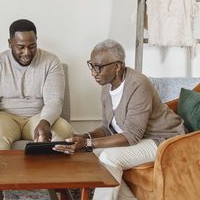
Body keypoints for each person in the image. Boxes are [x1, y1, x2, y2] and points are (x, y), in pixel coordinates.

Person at [53, 39, 185, 200]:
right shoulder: (107, 86)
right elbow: (108, 128)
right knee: (88, 156)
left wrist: (88, 144)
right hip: (140, 138)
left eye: (98, 67)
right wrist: (85, 137)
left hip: (164, 140)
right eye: (91, 65)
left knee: (108, 158)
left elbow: (132, 135)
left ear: (117, 66)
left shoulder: (138, 84)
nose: (93, 72)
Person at [0, 19, 73, 150]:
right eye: (21, 47)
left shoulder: (51, 61)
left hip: (39, 116)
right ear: (10, 43)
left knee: (63, 132)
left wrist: (45, 121)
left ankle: (47, 171)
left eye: (32, 46)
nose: (27, 52)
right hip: (5, 117)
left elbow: (54, 100)